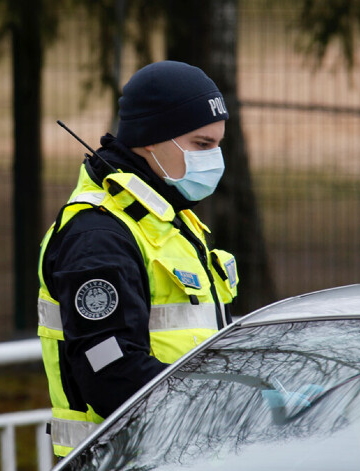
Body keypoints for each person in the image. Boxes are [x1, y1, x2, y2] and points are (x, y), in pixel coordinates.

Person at [37, 61, 239, 457]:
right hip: (123, 459)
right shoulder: (99, 236)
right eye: (202, 144)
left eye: (218, 144)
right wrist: (229, 407)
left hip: (180, 454)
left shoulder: (166, 217)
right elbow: (110, 370)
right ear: (151, 139)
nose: (214, 159)